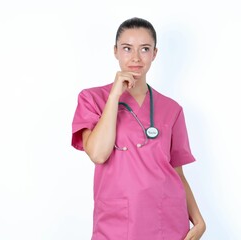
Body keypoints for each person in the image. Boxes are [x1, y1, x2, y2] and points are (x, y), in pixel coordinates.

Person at [71, 17, 206, 240]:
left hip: (167, 220)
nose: (135, 57)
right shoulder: (92, 99)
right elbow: (97, 153)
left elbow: (177, 173)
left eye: (144, 49)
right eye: (127, 48)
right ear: (115, 51)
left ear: (154, 53)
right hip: (117, 222)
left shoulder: (171, 109)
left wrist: (199, 221)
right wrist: (114, 95)